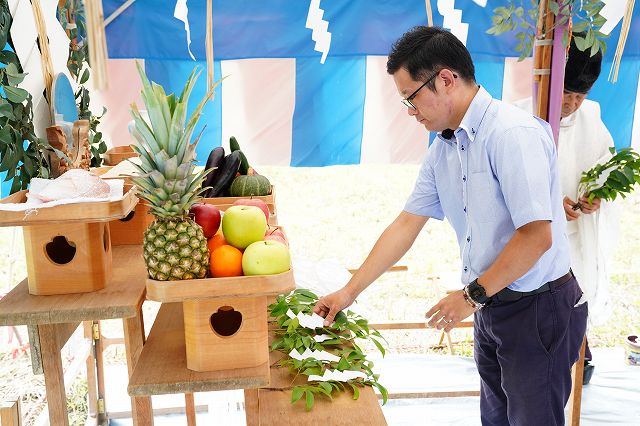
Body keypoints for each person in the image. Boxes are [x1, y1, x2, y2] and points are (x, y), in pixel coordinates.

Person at [313, 26, 587, 425]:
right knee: (495, 419)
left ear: (445, 79)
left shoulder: (512, 134)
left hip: (536, 308)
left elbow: (536, 238)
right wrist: (348, 292)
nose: (410, 111)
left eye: (411, 98)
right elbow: (406, 224)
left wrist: (470, 296)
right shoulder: (445, 146)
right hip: (491, 303)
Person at [516, 34, 618, 384]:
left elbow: (603, 165)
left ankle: (579, 353)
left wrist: (596, 196)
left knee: (575, 296)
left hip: (574, 235)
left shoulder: (592, 117)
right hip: (529, 236)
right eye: (567, 93)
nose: (573, 103)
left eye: (581, 95)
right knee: (534, 303)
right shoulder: (518, 116)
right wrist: (549, 204)